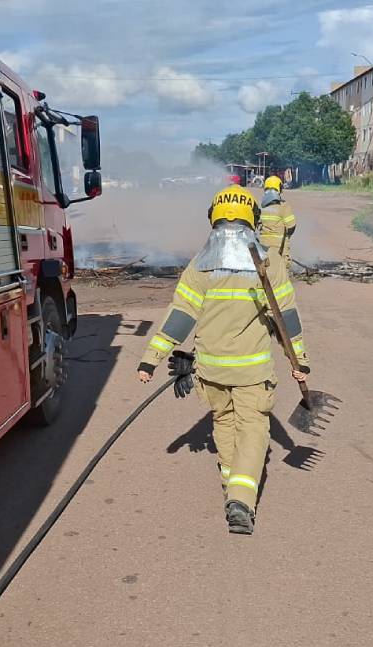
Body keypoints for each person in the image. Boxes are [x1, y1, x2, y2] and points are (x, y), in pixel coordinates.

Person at [137, 185, 310, 536]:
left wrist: (150, 360)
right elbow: (285, 318)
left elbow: (180, 316)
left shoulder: (199, 267)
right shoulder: (270, 264)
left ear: (213, 222)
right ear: (253, 221)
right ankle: (241, 500)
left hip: (211, 371)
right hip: (252, 372)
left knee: (225, 423)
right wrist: (300, 360)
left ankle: (232, 487)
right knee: (253, 430)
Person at [259, 175, 297, 270]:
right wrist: (285, 236)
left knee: (265, 269)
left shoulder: (261, 206)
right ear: (278, 188)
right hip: (279, 247)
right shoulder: (284, 206)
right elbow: (292, 226)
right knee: (282, 271)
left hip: (263, 246)